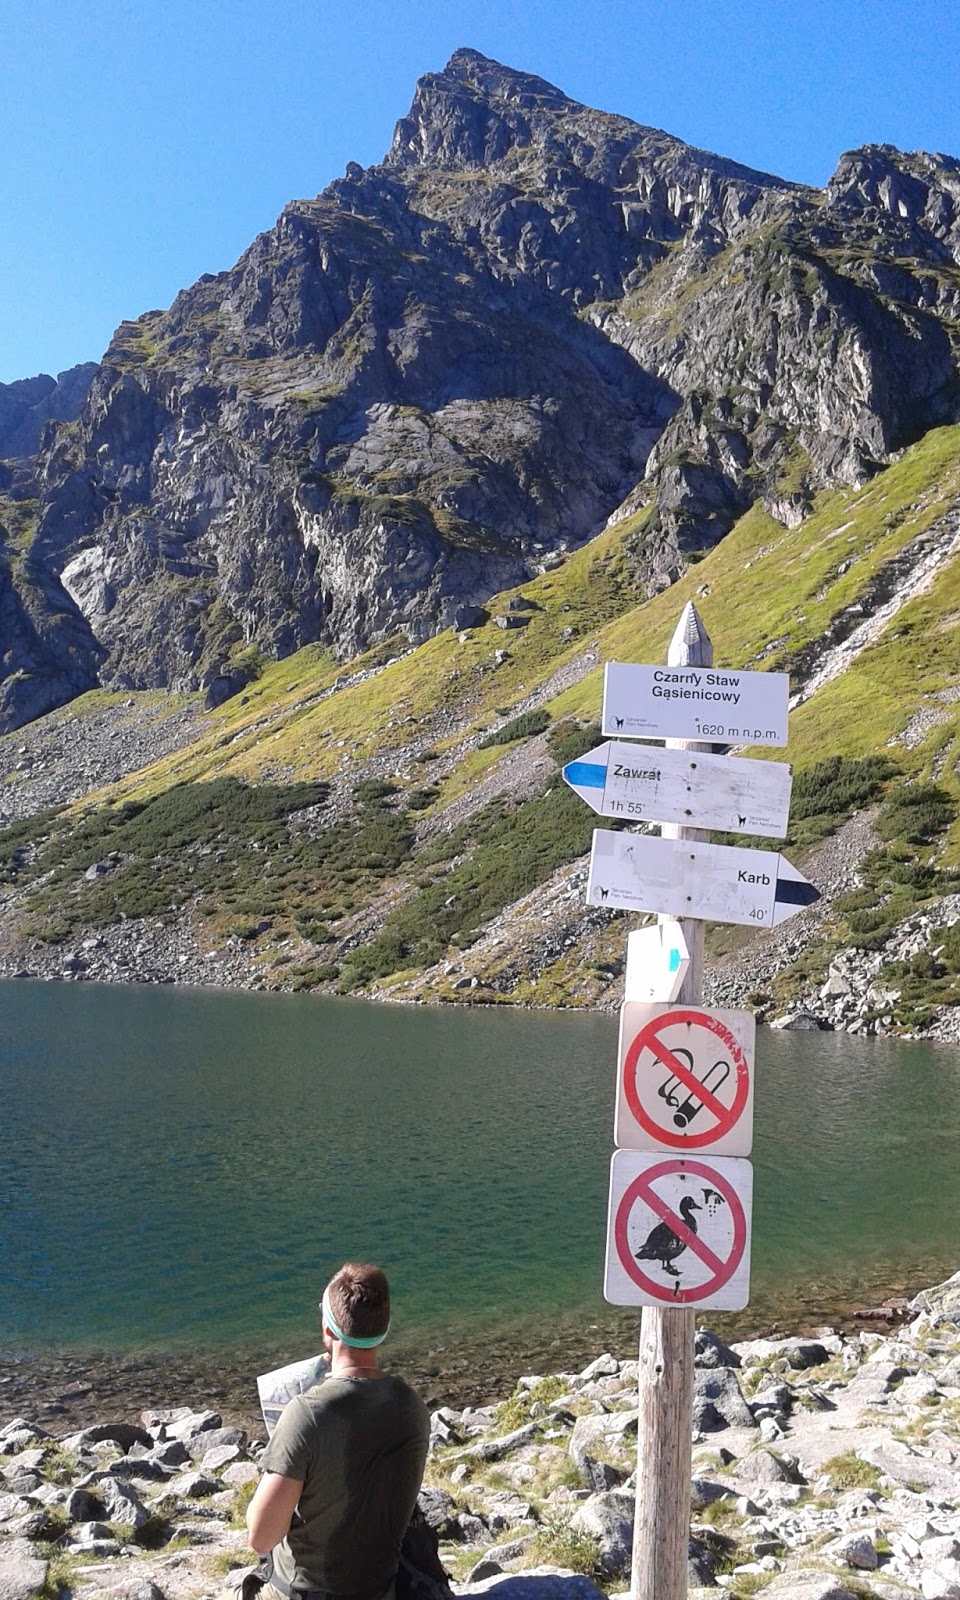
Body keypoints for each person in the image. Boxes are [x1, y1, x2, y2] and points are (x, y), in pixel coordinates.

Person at [246, 1263, 430, 1600]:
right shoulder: (412, 1406)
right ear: (384, 1328)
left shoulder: (306, 1413)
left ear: (328, 1330)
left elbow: (260, 1537)